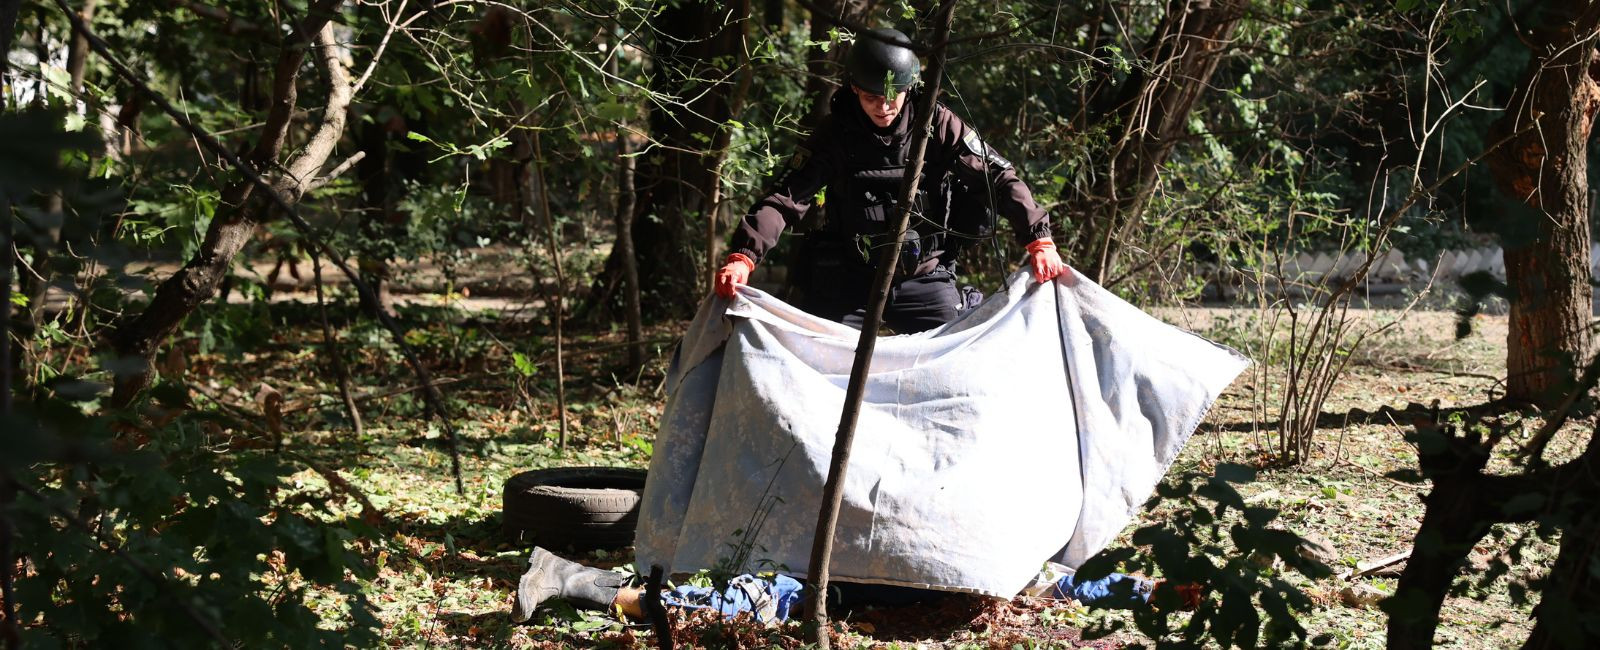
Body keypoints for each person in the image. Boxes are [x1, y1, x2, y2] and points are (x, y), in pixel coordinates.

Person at [713, 27, 1065, 333]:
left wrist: (1039, 239)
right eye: (871, 98)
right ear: (854, 88)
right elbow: (785, 198)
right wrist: (743, 256)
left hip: (924, 276)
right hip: (853, 279)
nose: (883, 107)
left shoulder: (938, 124)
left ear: (909, 87)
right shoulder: (835, 134)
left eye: (891, 96)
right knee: (819, 355)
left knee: (958, 353)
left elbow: (998, 175)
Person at [510, 546, 1199, 624]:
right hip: (820, 580)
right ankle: (571, 577)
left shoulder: (1008, 558)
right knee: (728, 599)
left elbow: (1071, 585)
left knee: (728, 600)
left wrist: (1153, 593)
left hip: (828, 590)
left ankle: (570, 577)